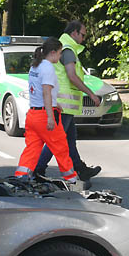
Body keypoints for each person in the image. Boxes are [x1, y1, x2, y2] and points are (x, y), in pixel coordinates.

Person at [33, 20, 101, 182]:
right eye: (83, 35)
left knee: (69, 141)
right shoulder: (68, 49)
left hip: (63, 104)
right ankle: (38, 169)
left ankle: (80, 169)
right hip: (63, 104)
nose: (84, 38)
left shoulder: (64, 46)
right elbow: (72, 76)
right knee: (55, 140)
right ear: (74, 33)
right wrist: (91, 94)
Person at [15, 38, 78, 183]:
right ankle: (71, 179)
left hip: (33, 114)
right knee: (61, 148)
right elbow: (46, 92)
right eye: (60, 53)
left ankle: (20, 176)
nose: (60, 57)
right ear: (53, 52)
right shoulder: (48, 67)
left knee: (32, 148)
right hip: (45, 115)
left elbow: (39, 91)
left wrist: (56, 104)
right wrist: (50, 116)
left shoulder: (35, 66)